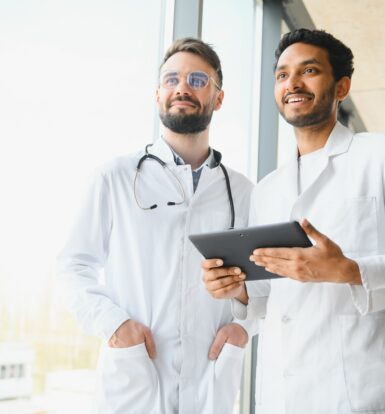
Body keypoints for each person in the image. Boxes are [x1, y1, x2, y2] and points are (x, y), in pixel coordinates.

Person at [57, 37, 256, 414]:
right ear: (157, 94)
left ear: (219, 97)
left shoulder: (244, 192)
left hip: (210, 381)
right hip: (136, 377)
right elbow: (73, 266)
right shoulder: (115, 177)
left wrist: (245, 326)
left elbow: (263, 286)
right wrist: (115, 325)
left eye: (198, 80)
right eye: (171, 79)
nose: (182, 87)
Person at [203, 28, 385, 414]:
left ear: (342, 87)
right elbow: (268, 299)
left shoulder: (377, 157)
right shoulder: (267, 190)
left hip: (359, 393)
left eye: (309, 71)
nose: (292, 83)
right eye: (282, 75)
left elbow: (353, 274)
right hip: (279, 397)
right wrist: (236, 288)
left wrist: (350, 270)